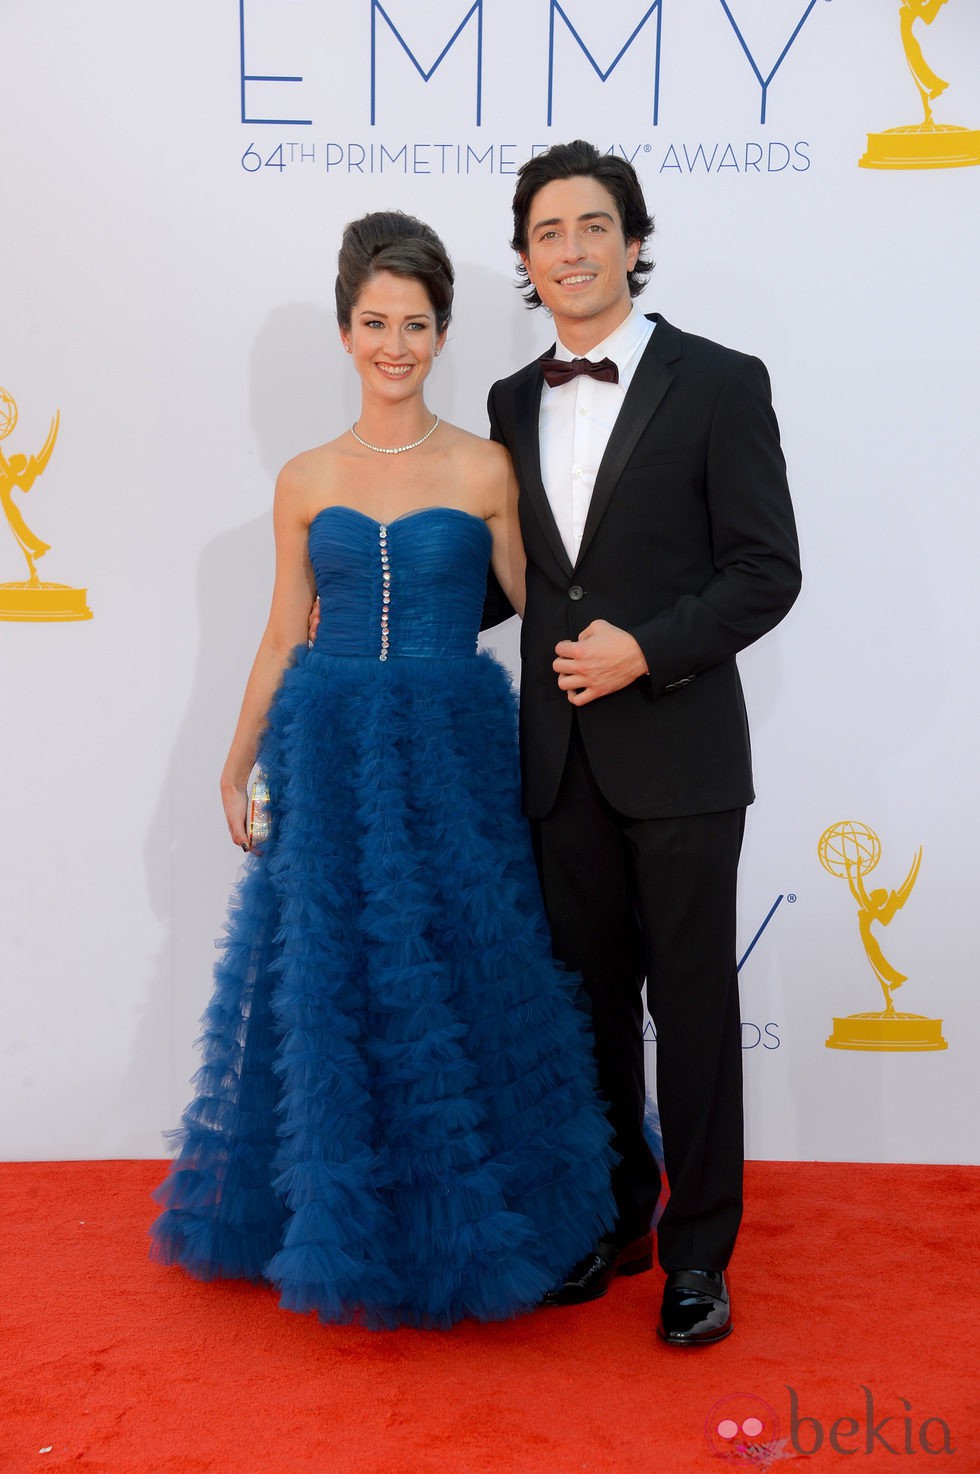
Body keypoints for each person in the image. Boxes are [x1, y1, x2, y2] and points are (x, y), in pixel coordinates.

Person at [150, 210, 616, 1329]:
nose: (393, 344)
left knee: (465, 965)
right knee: (332, 976)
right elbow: (278, 633)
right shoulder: (305, 478)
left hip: (452, 746)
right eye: (373, 322)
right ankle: (345, 1215)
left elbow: (549, 600)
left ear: (443, 332)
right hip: (326, 741)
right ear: (346, 330)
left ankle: (481, 1213)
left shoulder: (488, 466)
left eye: (414, 323)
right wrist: (233, 758)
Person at [483, 141, 801, 1344]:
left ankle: (698, 1255)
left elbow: (764, 570)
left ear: (630, 237)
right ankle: (613, 1220)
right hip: (554, 760)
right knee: (587, 1008)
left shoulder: (720, 381)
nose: (571, 248)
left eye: (592, 225)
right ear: (524, 257)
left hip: (678, 751)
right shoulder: (511, 403)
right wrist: (379, 599)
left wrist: (646, 648)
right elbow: (517, 579)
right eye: (548, 231)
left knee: (692, 1008)